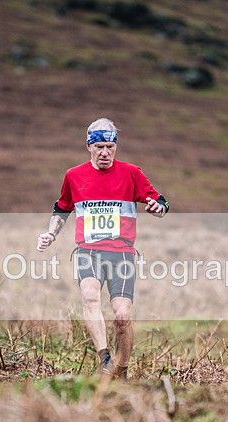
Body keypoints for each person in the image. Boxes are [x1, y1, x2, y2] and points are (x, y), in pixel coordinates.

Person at [37, 118, 168, 380]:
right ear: (89, 147)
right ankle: (104, 357)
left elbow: (160, 201)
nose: (105, 153)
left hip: (122, 253)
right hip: (88, 250)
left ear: (116, 147)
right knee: (90, 296)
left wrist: (158, 208)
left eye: (110, 147)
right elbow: (62, 207)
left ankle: (122, 368)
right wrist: (51, 233)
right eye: (99, 147)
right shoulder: (74, 176)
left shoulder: (131, 173)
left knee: (122, 315)